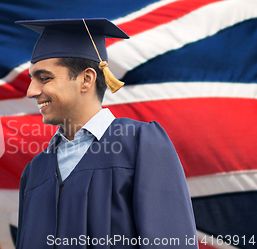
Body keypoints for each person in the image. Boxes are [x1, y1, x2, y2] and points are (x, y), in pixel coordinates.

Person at [15, 18, 197, 248]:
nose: (31, 91)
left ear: (86, 79)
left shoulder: (140, 145)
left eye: (44, 78)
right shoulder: (34, 172)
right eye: (32, 79)